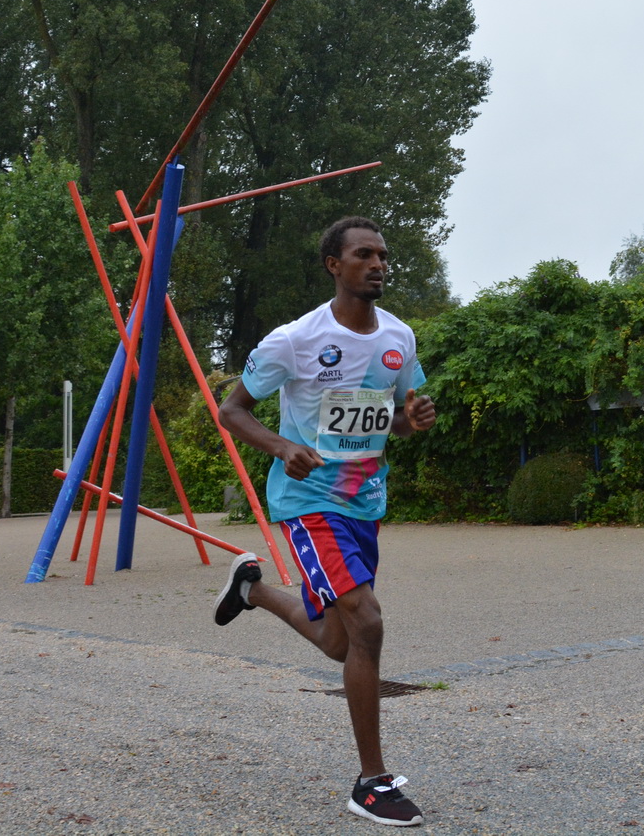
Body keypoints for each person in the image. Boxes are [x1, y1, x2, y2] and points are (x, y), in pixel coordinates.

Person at [213, 216, 436, 828]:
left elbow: (393, 417)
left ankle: (251, 588)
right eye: (364, 254)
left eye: (383, 255)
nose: (379, 264)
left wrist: (408, 421)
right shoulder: (295, 339)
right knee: (367, 624)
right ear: (334, 265)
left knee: (341, 640)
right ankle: (372, 783)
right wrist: (283, 448)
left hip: (365, 504)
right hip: (309, 504)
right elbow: (231, 411)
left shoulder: (399, 338)